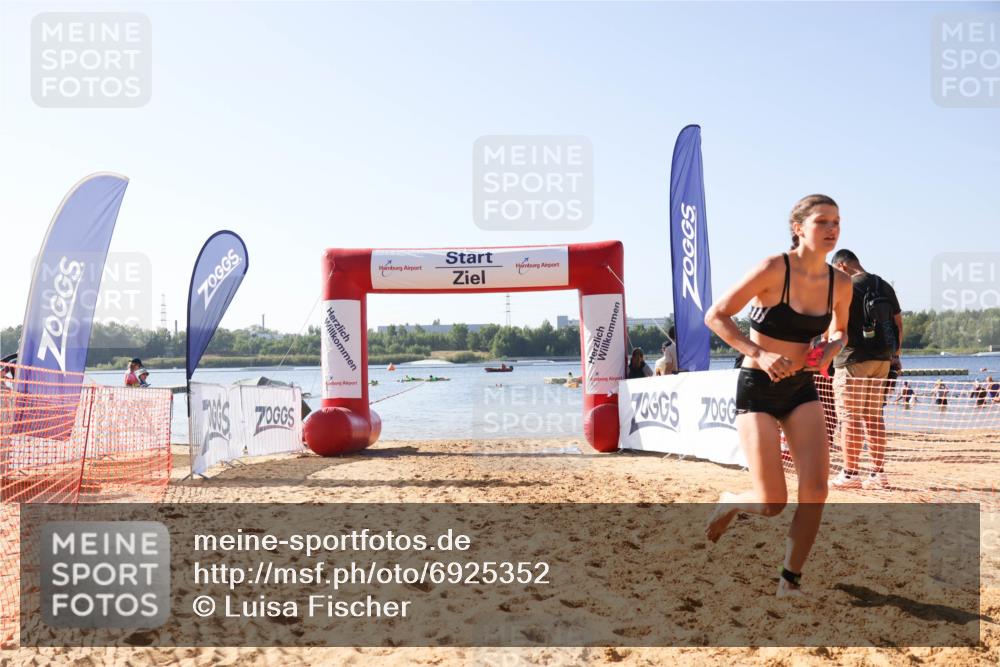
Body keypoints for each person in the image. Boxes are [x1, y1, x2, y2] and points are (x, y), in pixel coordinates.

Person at [703, 194, 851, 598]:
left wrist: (831, 348)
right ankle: (733, 501)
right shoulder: (773, 269)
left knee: (817, 490)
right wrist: (760, 353)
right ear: (798, 228)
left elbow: (841, 330)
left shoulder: (840, 283)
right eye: (823, 222)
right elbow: (716, 315)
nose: (832, 229)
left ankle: (790, 580)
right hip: (757, 389)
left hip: (801, 388)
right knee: (772, 503)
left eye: (837, 222)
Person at [828, 249, 903, 491]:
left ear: (841, 266)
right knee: (873, 417)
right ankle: (878, 474)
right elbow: (898, 324)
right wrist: (895, 356)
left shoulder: (844, 286)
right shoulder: (883, 285)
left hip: (852, 359)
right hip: (882, 360)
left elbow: (832, 327)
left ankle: (850, 474)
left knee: (849, 417)